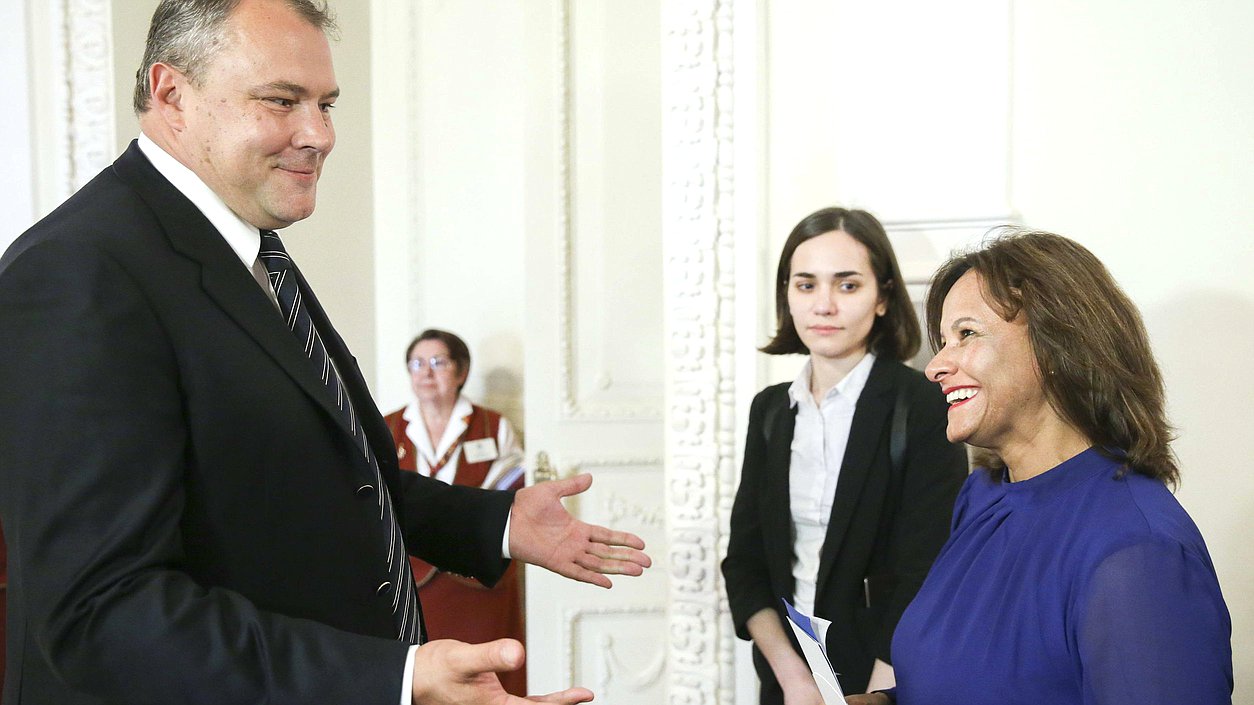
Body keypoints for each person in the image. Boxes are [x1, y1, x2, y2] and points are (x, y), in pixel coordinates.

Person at [0, 1, 650, 704]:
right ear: (171, 95)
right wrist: (396, 678)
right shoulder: (76, 272)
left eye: (326, 104)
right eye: (282, 101)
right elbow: (101, 613)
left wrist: (494, 523)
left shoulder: (250, 250)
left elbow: (325, 476)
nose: (319, 135)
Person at [846, 230, 1233, 704]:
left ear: (1054, 347)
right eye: (943, 341)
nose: (935, 366)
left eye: (966, 334)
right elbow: (961, 681)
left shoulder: (1137, 551)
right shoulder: (982, 495)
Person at [723, 207, 969, 703]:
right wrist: (793, 680)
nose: (824, 305)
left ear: (883, 298)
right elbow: (745, 565)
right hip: (788, 680)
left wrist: (879, 691)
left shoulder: (920, 404)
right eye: (806, 285)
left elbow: (927, 566)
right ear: (787, 295)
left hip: (887, 676)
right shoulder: (770, 411)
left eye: (848, 285)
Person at [384, 329, 527, 696]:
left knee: (490, 680)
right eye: (417, 364)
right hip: (412, 580)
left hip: (478, 582)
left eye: (438, 362)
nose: (425, 373)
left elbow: (509, 491)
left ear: (461, 372)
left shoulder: (492, 427)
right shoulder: (387, 427)